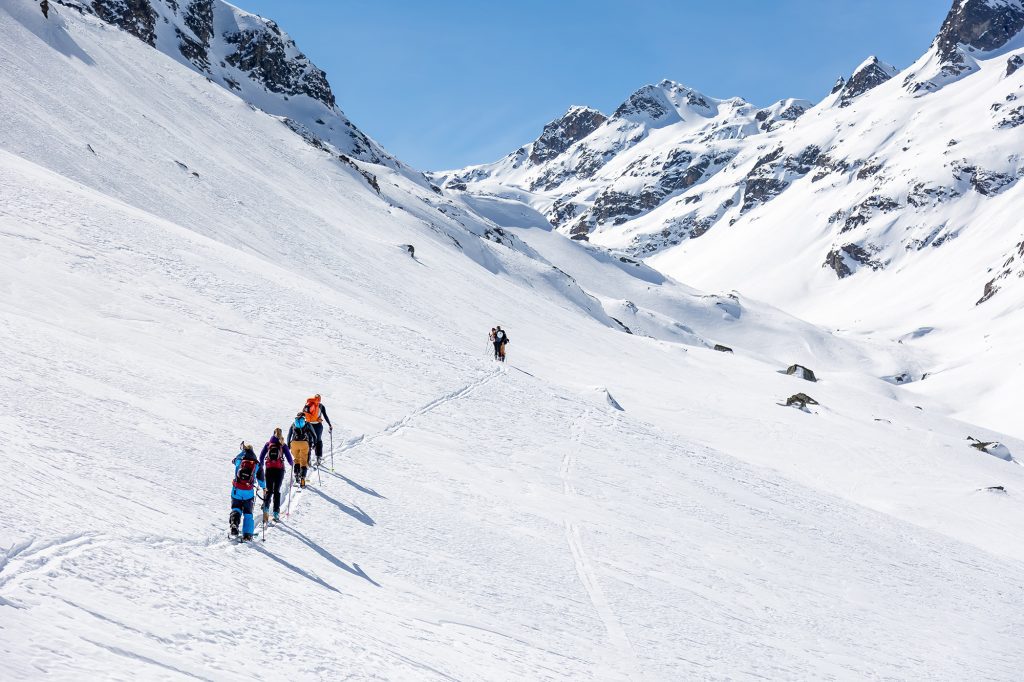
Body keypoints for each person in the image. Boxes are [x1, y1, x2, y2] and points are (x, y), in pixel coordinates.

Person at [230, 443, 265, 541]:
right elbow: (262, 480)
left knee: (236, 509)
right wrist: (264, 488)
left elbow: (234, 460)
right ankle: (247, 534)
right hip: (248, 492)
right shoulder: (256, 464)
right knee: (248, 513)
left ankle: (234, 524)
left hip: (236, 490)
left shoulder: (239, 460)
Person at [259, 428, 293, 523]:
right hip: (279, 470)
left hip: (269, 469)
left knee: (269, 490)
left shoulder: (268, 444)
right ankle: (276, 513)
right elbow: (289, 459)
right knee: (276, 491)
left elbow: (261, 457)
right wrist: (292, 464)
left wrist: (261, 466)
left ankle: (265, 507)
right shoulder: (283, 445)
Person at [288, 413, 317, 488]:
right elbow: (314, 435)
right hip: (304, 443)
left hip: (294, 443)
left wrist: (288, 445)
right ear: (304, 418)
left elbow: (289, 435)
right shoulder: (307, 424)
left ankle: (296, 475)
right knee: (303, 462)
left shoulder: (293, 424)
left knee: (296, 460)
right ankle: (302, 479)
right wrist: (315, 444)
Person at [302, 394, 333, 467]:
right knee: (318, 441)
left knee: (308, 441)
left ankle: (308, 459)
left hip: (308, 425)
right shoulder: (321, 406)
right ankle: (318, 458)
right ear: (320, 399)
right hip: (318, 426)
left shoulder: (308, 404)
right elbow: (325, 416)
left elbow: (304, 414)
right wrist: (329, 424)